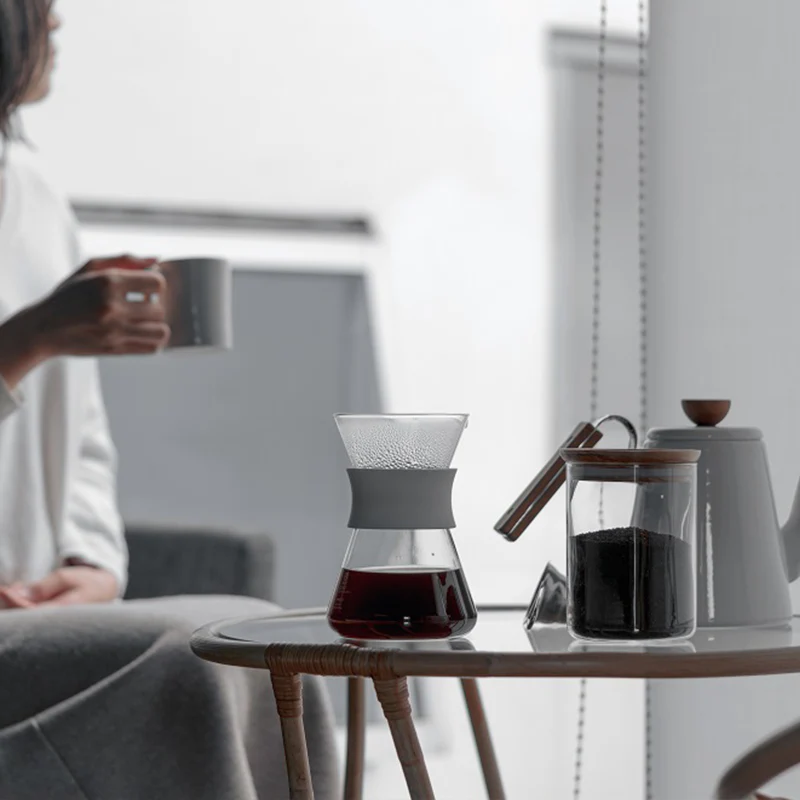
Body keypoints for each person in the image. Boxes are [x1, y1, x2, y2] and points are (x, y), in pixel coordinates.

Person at [0, 3, 338, 798]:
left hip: (32, 603)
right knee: (190, 659)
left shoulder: (34, 195)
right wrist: (30, 337)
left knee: (260, 638)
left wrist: (91, 563)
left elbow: (81, 433)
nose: (58, 20)